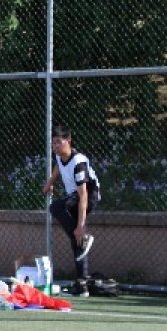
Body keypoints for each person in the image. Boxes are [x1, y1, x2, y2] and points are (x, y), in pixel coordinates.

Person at [43, 124, 101, 297]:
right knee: (76, 240)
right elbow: (58, 166)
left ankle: (83, 236)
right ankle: (82, 285)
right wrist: (50, 183)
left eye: (58, 142)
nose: (55, 146)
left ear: (68, 141)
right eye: (53, 143)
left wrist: (81, 225)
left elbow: (83, 195)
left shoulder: (79, 162)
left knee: (56, 207)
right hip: (75, 196)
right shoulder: (59, 155)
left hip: (89, 195)